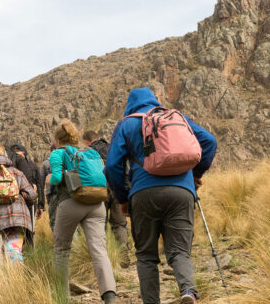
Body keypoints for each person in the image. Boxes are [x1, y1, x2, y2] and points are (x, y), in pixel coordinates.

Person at [105, 87, 217, 304]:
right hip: (181, 192)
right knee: (179, 251)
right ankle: (188, 292)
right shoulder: (177, 118)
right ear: (154, 100)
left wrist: (123, 198)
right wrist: (194, 175)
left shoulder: (127, 123)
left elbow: (111, 167)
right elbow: (209, 142)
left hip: (143, 193)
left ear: (130, 105)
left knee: (146, 256)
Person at [50, 120, 117, 304]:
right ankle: (109, 295)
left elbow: (56, 178)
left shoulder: (58, 153)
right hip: (97, 203)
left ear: (57, 138)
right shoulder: (91, 152)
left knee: (61, 250)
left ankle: (61, 296)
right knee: (99, 250)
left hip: (70, 202)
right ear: (75, 137)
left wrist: (50, 179)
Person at [83, 130, 131, 268]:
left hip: (98, 190)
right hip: (117, 188)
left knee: (99, 223)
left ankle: (103, 256)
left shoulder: (88, 151)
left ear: (87, 141)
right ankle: (123, 251)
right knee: (119, 223)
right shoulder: (113, 147)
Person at [39, 143, 59, 232]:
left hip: (51, 194)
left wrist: (40, 201)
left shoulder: (46, 163)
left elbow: (40, 183)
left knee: (54, 220)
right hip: (68, 194)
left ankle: (58, 243)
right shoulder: (67, 160)